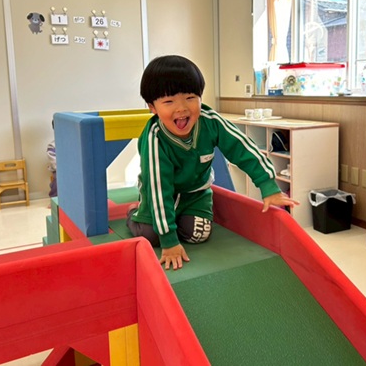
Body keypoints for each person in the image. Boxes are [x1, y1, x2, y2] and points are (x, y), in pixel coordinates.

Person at [127, 55, 299, 270]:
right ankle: (134, 213)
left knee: (198, 234)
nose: (182, 108)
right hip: (159, 194)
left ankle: (177, 218)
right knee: (151, 235)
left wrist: (268, 186)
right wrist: (169, 241)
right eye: (169, 102)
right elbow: (159, 189)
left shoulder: (211, 122)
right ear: (152, 107)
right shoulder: (155, 138)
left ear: (200, 97)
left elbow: (243, 148)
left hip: (196, 194)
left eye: (190, 97)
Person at [47, 120, 57, 199]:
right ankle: (54, 198)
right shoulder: (52, 145)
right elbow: (53, 161)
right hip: (58, 170)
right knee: (58, 179)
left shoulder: (72, 142)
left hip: (71, 168)